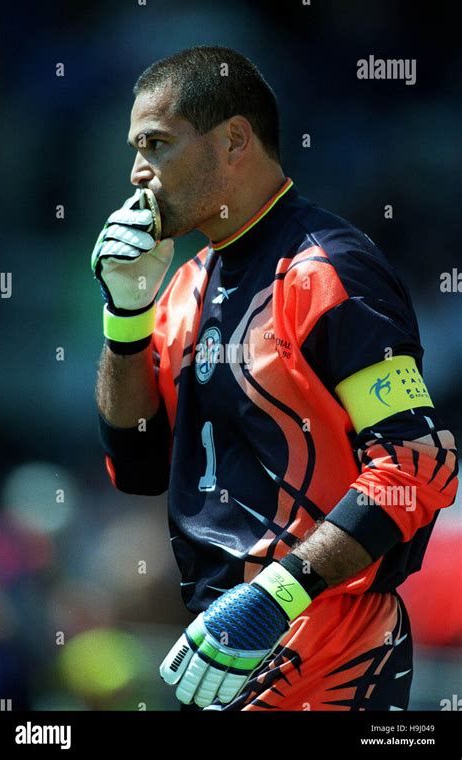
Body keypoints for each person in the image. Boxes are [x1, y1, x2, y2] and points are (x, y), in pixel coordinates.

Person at [91, 45, 458, 711]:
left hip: (331, 653)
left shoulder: (328, 272)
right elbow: (138, 466)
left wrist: (274, 595)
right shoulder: (181, 290)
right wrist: (125, 316)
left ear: (234, 139)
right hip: (217, 645)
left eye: (157, 143)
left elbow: (417, 467)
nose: (138, 172)